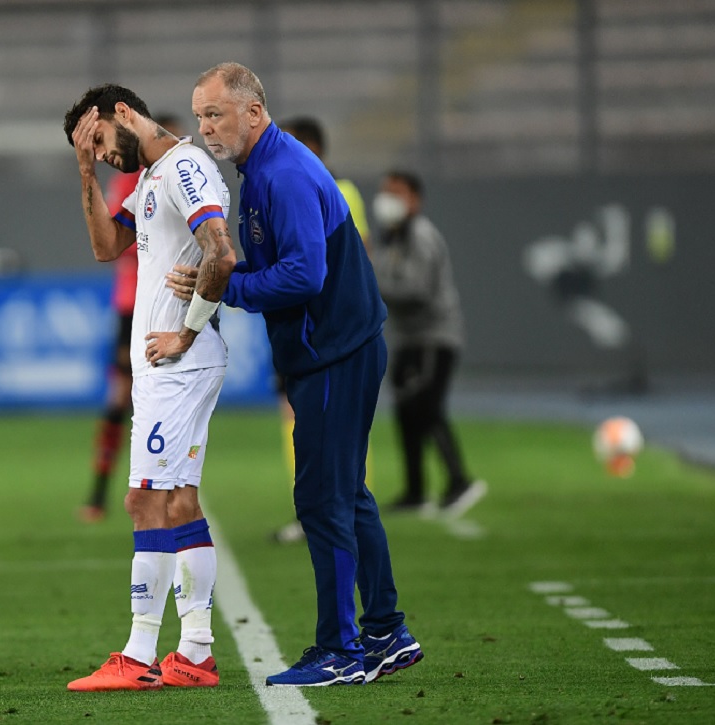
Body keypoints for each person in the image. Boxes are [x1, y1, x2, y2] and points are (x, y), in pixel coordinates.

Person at [172, 61, 423, 686]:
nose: (206, 127)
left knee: (322, 499)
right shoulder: (262, 166)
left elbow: (305, 276)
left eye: (216, 114)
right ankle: (387, 631)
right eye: (200, 115)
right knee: (348, 494)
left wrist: (228, 286)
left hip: (335, 353)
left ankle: (340, 650)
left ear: (253, 112)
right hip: (337, 349)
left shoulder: (280, 174)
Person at [62, 84, 236, 692]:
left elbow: (222, 253)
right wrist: (85, 171)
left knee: (144, 501)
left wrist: (184, 335)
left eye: (103, 142)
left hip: (178, 366)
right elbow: (106, 247)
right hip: (174, 367)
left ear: (125, 115)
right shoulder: (155, 174)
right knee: (180, 502)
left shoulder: (184, 167)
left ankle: (137, 656)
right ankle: (196, 653)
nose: (106, 156)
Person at [270, 116, 374, 544]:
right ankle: (311, 510)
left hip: (329, 327)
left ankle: (338, 509)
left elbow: (358, 258)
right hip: (297, 323)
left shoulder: (339, 191)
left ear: (311, 147)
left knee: (332, 422)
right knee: (295, 417)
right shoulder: (286, 191)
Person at [80, 116, 184, 524]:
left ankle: (175, 487)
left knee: (168, 400)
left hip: (169, 301)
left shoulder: (184, 178)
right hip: (133, 305)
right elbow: (113, 242)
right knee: (121, 399)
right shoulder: (132, 182)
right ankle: (100, 493)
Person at [370, 170, 486, 517]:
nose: (387, 198)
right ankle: (416, 490)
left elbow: (418, 290)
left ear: (415, 200)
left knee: (427, 406)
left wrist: (372, 284)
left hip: (434, 337)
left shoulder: (420, 236)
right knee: (407, 411)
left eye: (397, 192)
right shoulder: (394, 237)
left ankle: (459, 480)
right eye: (385, 191)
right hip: (409, 338)